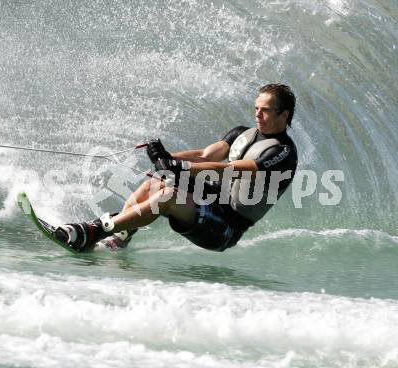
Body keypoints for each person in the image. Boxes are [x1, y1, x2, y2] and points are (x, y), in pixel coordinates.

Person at [55, 84, 298, 252]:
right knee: (155, 185)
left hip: (226, 227)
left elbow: (231, 169)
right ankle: (119, 238)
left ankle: (94, 231)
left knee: (168, 197)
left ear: (284, 114)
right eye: (256, 108)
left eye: (265, 110)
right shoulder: (242, 133)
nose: (258, 114)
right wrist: (165, 156)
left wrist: (178, 166)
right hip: (212, 201)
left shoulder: (282, 152)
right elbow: (204, 155)